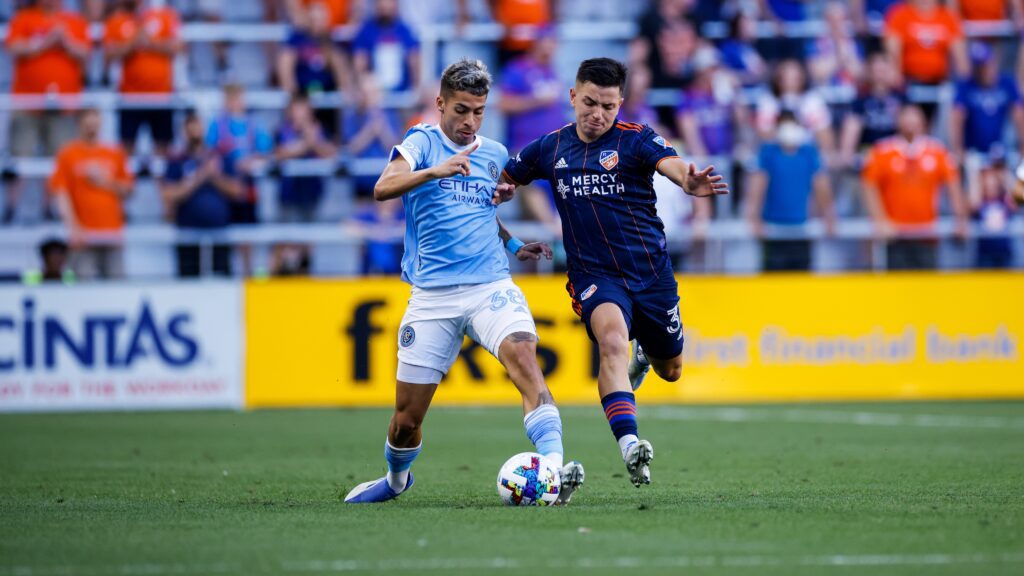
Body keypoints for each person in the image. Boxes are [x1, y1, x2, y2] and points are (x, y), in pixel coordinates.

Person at [344, 59, 585, 505]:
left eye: (478, 111)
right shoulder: (420, 142)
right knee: (406, 419)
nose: (469, 121)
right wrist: (436, 170)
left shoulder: (492, 154)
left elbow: (481, 212)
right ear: (440, 104)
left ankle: (553, 469)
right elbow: (383, 187)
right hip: (432, 295)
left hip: (489, 286)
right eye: (460, 110)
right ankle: (396, 481)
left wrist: (515, 247)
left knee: (525, 359)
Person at [500, 58, 728, 487]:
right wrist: (501, 190)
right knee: (610, 341)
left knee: (671, 368)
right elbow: (506, 179)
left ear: (620, 102)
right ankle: (630, 445)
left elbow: (672, 163)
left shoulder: (636, 139)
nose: (597, 114)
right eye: (589, 103)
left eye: (608, 105)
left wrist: (687, 181)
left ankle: (644, 357)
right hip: (594, 275)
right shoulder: (550, 147)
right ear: (572, 96)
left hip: (650, 273)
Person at [4, 0, 90, 223]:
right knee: (19, 156)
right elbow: (12, 46)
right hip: (27, 103)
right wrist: (45, 42)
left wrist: (66, 42)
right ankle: (10, 208)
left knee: (58, 159)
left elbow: (85, 53)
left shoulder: (73, 21)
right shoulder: (24, 18)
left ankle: (50, 208)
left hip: (63, 106)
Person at [861, 104, 968, 270]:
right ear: (898, 120)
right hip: (895, 235)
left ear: (923, 121)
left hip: (927, 233)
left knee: (927, 286)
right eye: (906, 115)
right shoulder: (882, 151)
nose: (910, 121)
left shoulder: (937, 151)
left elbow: (953, 185)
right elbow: (868, 185)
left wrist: (960, 218)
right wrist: (880, 220)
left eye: (915, 116)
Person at [49, 109, 135, 280]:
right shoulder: (68, 154)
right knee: (84, 285)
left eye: (95, 123)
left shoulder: (114, 153)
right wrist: (73, 226)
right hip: (83, 235)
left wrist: (105, 181)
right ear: (79, 124)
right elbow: (60, 192)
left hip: (112, 233)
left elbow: (128, 190)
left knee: (118, 284)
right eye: (87, 124)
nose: (91, 128)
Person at [745, 112, 837, 272]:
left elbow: (821, 185)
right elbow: (757, 185)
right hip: (773, 228)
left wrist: (829, 215)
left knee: (802, 277)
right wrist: (753, 217)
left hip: (802, 228)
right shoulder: (768, 152)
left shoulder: (808, 152)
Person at [160, 111, 243, 278]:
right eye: (190, 126)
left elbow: (237, 190)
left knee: (222, 279)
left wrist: (214, 177)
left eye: (197, 125)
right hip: (188, 232)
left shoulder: (220, 156)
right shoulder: (177, 159)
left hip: (219, 231)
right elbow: (168, 194)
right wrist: (200, 176)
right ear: (184, 131)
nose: (194, 130)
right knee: (188, 280)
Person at [103, 0, 184, 158]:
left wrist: (150, 42)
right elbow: (109, 55)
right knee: (126, 147)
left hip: (162, 95)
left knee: (163, 147)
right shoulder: (116, 21)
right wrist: (132, 43)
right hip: (130, 96)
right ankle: (126, 180)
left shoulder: (165, 16)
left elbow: (178, 47)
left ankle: (162, 181)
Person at [277, 0, 351, 140]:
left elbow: (340, 68)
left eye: (320, 19)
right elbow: (285, 64)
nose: (317, 23)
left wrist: (343, 88)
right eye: (314, 18)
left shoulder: (330, 40)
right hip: (303, 94)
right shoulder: (298, 38)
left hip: (326, 95)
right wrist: (292, 93)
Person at [498, 25, 564, 155]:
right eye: (546, 42)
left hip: (553, 149)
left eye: (553, 42)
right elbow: (504, 104)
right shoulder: (517, 68)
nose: (550, 47)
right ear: (535, 43)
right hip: (523, 148)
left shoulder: (553, 70)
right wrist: (537, 101)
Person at [838, 52, 904, 170]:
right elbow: (852, 125)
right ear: (869, 72)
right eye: (876, 70)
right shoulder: (862, 98)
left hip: (896, 150)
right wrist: (848, 155)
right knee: (853, 122)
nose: (880, 75)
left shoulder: (900, 97)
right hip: (869, 150)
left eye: (883, 70)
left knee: (909, 116)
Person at [884, 0, 969, 89]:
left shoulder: (948, 18)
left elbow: (961, 59)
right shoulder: (901, 16)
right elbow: (892, 53)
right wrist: (897, 75)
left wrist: (961, 81)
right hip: (908, 81)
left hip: (941, 82)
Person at [351, 0, 420, 93]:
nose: (385, 5)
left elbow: (414, 61)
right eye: (381, 2)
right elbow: (359, 64)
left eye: (389, 2)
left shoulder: (405, 31)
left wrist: (415, 90)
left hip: (402, 93)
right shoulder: (366, 31)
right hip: (373, 92)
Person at [971, 160, 1016, 269]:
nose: (991, 185)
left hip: (1004, 252)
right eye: (987, 182)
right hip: (984, 253)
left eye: (993, 182)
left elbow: (1016, 202)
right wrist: (976, 178)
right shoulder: (981, 202)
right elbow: (973, 205)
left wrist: (1004, 178)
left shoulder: (1004, 201)